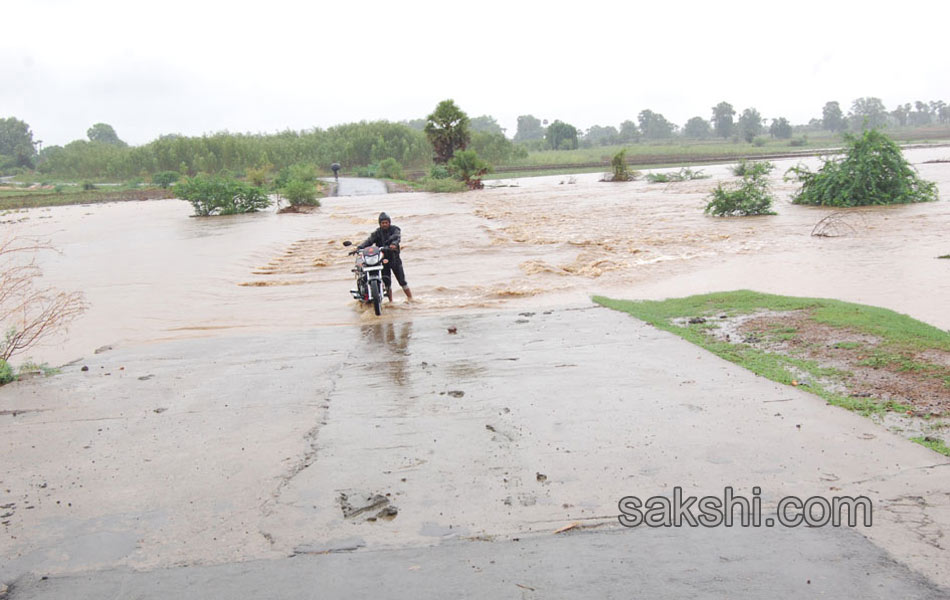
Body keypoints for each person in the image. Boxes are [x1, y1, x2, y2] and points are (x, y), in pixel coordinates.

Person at [358, 212, 412, 302]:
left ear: (389, 222)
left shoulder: (395, 229)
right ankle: (391, 302)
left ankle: (411, 298)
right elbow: (369, 241)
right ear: (380, 224)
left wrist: (393, 244)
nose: (384, 224)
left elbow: (397, 237)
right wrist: (360, 247)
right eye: (382, 223)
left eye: (386, 222)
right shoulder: (377, 233)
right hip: (382, 260)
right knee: (387, 282)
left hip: (394, 259)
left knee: (402, 281)